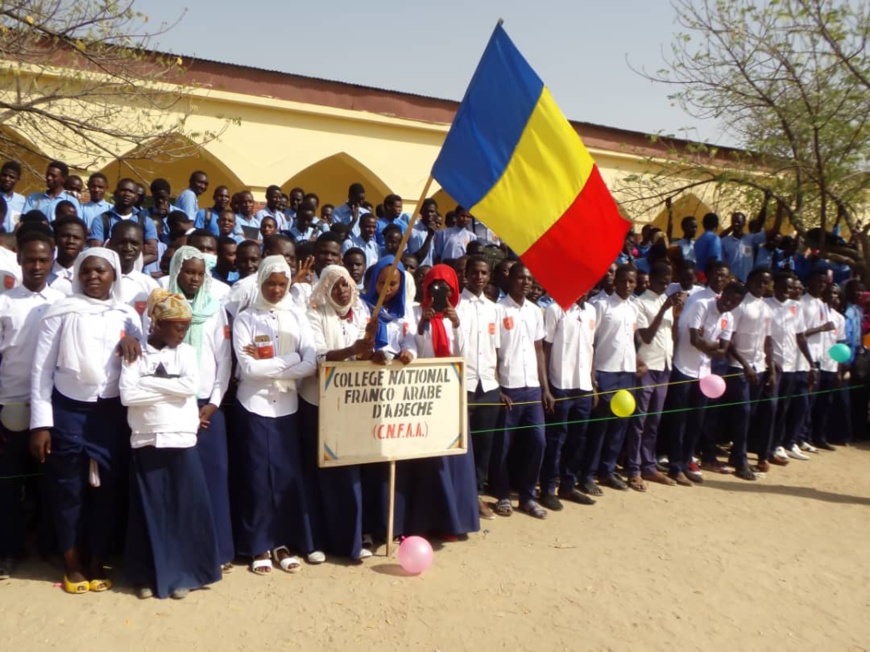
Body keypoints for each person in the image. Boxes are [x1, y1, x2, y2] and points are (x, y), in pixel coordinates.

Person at [30, 248, 143, 594]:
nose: (93, 276)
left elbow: (144, 359)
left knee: (107, 491)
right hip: (68, 411)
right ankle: (71, 561)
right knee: (68, 489)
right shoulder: (59, 312)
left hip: (111, 414)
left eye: (101, 271)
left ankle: (97, 558)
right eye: (86, 271)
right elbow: (41, 370)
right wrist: (41, 424)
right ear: (77, 275)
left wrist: (134, 344)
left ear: (114, 276)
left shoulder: (127, 315)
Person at [120, 289, 221, 599]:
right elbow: (127, 394)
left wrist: (148, 383)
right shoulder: (135, 353)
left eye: (186, 326)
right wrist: (170, 389)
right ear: (158, 323)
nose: (183, 333)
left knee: (184, 509)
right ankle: (146, 577)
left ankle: (184, 574)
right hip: (147, 437)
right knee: (151, 510)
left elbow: (191, 386)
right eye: (178, 326)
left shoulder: (187, 353)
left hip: (181, 437)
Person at [232, 255, 318, 574]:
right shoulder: (245, 319)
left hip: (287, 407)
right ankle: (259, 546)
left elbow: (312, 362)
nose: (277, 289)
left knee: (283, 477)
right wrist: (290, 358)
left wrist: (285, 361)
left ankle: (281, 542)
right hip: (254, 406)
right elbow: (249, 369)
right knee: (256, 478)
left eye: (282, 283)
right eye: (271, 283)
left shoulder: (296, 317)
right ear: (261, 282)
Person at [0, 226, 63, 579]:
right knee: (8, 484)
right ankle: (8, 550)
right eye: (30, 260)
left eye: (43, 260)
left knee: (48, 483)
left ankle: (50, 547)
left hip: (51, 408)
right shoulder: (5, 303)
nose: (37, 266)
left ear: (52, 260)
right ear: (19, 261)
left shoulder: (62, 302)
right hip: (10, 403)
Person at [167, 247, 234, 572]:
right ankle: (183, 553)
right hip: (172, 407)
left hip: (208, 408)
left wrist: (212, 404)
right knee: (180, 481)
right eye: (188, 272)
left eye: (199, 273)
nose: (193, 278)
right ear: (177, 272)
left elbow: (224, 362)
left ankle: (218, 551)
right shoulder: (163, 305)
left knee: (214, 478)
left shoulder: (215, 309)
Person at [300, 265, 373, 560]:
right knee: (318, 474)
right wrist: (351, 350)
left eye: (346, 285)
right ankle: (316, 541)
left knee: (349, 475)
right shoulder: (314, 314)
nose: (342, 291)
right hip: (317, 405)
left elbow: (365, 352)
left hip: (351, 407)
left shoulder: (363, 313)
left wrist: (372, 353)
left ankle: (351, 540)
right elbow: (317, 356)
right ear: (325, 288)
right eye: (335, 286)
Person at [666, 282, 744, 485]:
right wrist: (714, 346)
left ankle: (686, 461)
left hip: (704, 374)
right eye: (727, 298)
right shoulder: (702, 304)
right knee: (679, 421)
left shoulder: (729, 318)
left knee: (696, 421)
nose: (729, 304)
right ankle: (675, 466)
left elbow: (723, 351)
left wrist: (710, 346)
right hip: (683, 367)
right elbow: (694, 339)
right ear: (722, 293)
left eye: (734, 302)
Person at [491, 263, 550, 519]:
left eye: (529, 278)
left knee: (538, 442)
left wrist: (545, 388)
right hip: (509, 386)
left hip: (533, 389)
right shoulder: (497, 310)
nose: (526, 282)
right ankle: (502, 495)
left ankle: (527, 496)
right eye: (521, 278)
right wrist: (499, 388)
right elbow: (493, 351)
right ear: (510, 279)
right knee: (504, 446)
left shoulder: (536, 311)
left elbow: (539, 351)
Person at [538, 289, 599, 509]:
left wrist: (593, 384)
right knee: (556, 440)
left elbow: (591, 348)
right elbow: (545, 349)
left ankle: (568, 485)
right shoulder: (556, 309)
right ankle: (547, 489)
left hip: (582, 386)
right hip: (560, 385)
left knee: (577, 440)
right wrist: (546, 388)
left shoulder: (591, 311)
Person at [581, 264, 639, 494]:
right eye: (623, 281)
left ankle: (607, 470)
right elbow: (590, 343)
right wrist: (593, 377)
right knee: (600, 427)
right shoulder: (600, 306)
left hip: (627, 373)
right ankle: (587, 475)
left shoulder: (634, 308)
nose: (627, 286)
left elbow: (631, 341)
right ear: (615, 282)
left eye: (631, 282)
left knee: (619, 426)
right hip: (605, 372)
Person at [628, 262, 685, 490]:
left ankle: (648, 466)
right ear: (650, 279)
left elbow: (671, 335)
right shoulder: (641, 303)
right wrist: (664, 310)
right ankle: (634, 469)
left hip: (664, 366)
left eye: (668, 281)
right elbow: (647, 337)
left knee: (654, 421)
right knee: (639, 421)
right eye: (662, 280)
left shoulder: (667, 302)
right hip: (647, 366)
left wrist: (676, 314)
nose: (665, 284)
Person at [456, 256, 501, 519]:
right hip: (464, 384)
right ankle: (462, 496)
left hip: (488, 384)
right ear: (466, 274)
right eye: (475, 272)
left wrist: (498, 383)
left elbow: (496, 350)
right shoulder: (456, 305)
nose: (480, 277)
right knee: (463, 442)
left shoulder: (494, 309)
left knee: (484, 443)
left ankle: (477, 495)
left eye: (484, 273)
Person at [726, 267, 774, 480]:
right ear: (750, 280)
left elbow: (767, 340)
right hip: (739, 367)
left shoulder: (766, 308)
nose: (762, 287)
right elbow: (729, 340)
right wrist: (745, 365)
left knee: (750, 414)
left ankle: (738, 454)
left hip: (759, 367)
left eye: (766, 283)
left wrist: (770, 368)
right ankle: (740, 459)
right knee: (743, 413)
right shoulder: (740, 306)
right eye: (759, 282)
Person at [767, 273, 817, 464]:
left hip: (790, 367)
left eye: (790, 288)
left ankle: (776, 445)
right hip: (773, 366)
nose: (787, 291)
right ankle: (763, 446)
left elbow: (800, 337)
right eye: (784, 287)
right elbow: (766, 339)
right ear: (775, 287)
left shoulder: (796, 307)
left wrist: (811, 364)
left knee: (783, 409)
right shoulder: (767, 305)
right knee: (770, 409)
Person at [89, 178, 160, 266]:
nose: (127, 194)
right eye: (123, 190)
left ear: (136, 197)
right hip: (109, 272)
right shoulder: (101, 220)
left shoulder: (146, 222)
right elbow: (96, 251)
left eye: (131, 191)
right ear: (115, 193)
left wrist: (131, 266)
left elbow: (153, 254)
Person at [813, 283, 848, 448]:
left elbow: (840, 345)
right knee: (810, 402)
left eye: (835, 293)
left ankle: (820, 437)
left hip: (831, 366)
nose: (832, 295)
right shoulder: (816, 311)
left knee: (825, 403)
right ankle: (802, 437)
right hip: (816, 363)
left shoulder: (839, 318)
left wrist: (839, 370)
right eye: (830, 292)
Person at [108, 221, 159, 318]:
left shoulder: (150, 285)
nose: (128, 248)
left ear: (141, 247)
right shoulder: (98, 281)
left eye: (134, 243)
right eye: (122, 242)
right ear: (110, 244)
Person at [48, 215, 87, 295]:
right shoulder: (42, 274)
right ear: (55, 239)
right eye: (65, 236)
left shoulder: (88, 277)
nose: (70, 241)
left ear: (84, 243)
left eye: (76, 237)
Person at [406, 199, 439, 267]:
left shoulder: (437, 233)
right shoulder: (413, 231)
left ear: (436, 213)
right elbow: (417, 258)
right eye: (426, 211)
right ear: (421, 212)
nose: (429, 214)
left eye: (432, 211)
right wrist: (429, 236)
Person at [0, 161, 25, 232]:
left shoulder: (22, 201)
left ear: (18, 179)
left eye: (12, 177)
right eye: (4, 175)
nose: (7, 179)